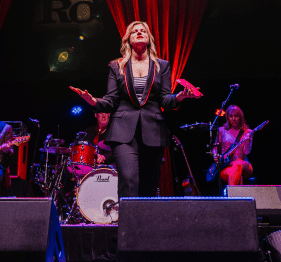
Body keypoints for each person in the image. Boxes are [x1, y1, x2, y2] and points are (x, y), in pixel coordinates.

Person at [70, 20, 201, 200]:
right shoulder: (117, 66)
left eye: (143, 31)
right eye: (134, 31)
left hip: (153, 131)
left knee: (149, 185)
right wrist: (92, 100)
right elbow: (111, 100)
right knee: (129, 179)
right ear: (128, 40)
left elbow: (164, 98)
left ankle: (145, 219)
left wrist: (180, 96)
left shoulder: (161, 66)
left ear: (149, 38)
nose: (139, 33)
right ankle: (127, 218)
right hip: (123, 131)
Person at [214, 105, 253, 186]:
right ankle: (236, 194)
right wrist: (216, 156)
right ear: (227, 117)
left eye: (236, 116)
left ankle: (232, 194)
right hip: (227, 166)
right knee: (236, 175)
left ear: (240, 117)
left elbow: (247, 152)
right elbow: (215, 148)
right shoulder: (221, 130)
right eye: (231, 116)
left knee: (237, 164)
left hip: (244, 165)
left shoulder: (247, 132)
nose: (233, 119)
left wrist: (247, 141)